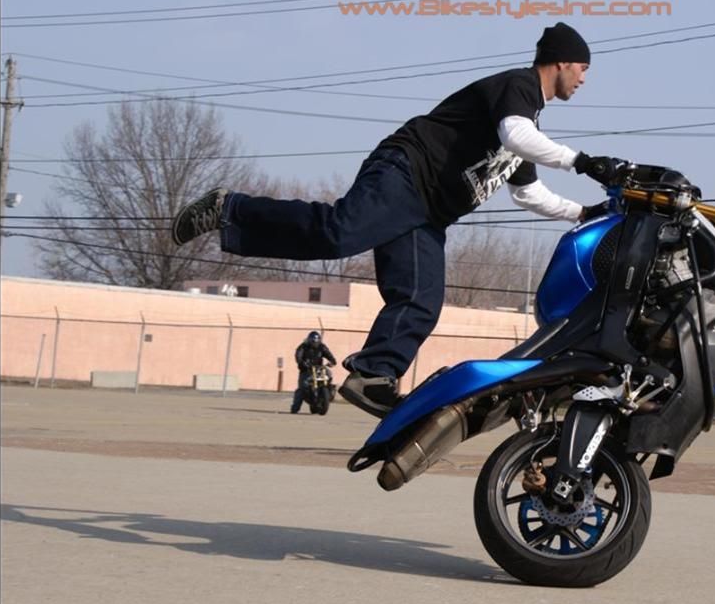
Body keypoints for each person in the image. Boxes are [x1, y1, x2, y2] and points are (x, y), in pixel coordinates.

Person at [171, 22, 619, 419]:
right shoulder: (517, 87)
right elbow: (515, 134)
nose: (584, 79)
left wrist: (584, 213)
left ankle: (374, 374)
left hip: (429, 213)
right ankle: (230, 208)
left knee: (421, 298)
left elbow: (527, 193)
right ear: (561, 62)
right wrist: (582, 162)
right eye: (583, 69)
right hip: (405, 174)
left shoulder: (527, 124)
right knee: (337, 232)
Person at [291, 331, 337, 414]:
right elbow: (298, 356)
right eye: (313, 341)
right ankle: (295, 408)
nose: (315, 343)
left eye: (316, 341)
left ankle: (329, 391)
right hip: (306, 370)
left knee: (329, 374)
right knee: (303, 387)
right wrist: (302, 363)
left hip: (319, 369)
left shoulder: (322, 347)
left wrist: (332, 362)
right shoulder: (303, 347)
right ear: (309, 340)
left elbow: (329, 355)